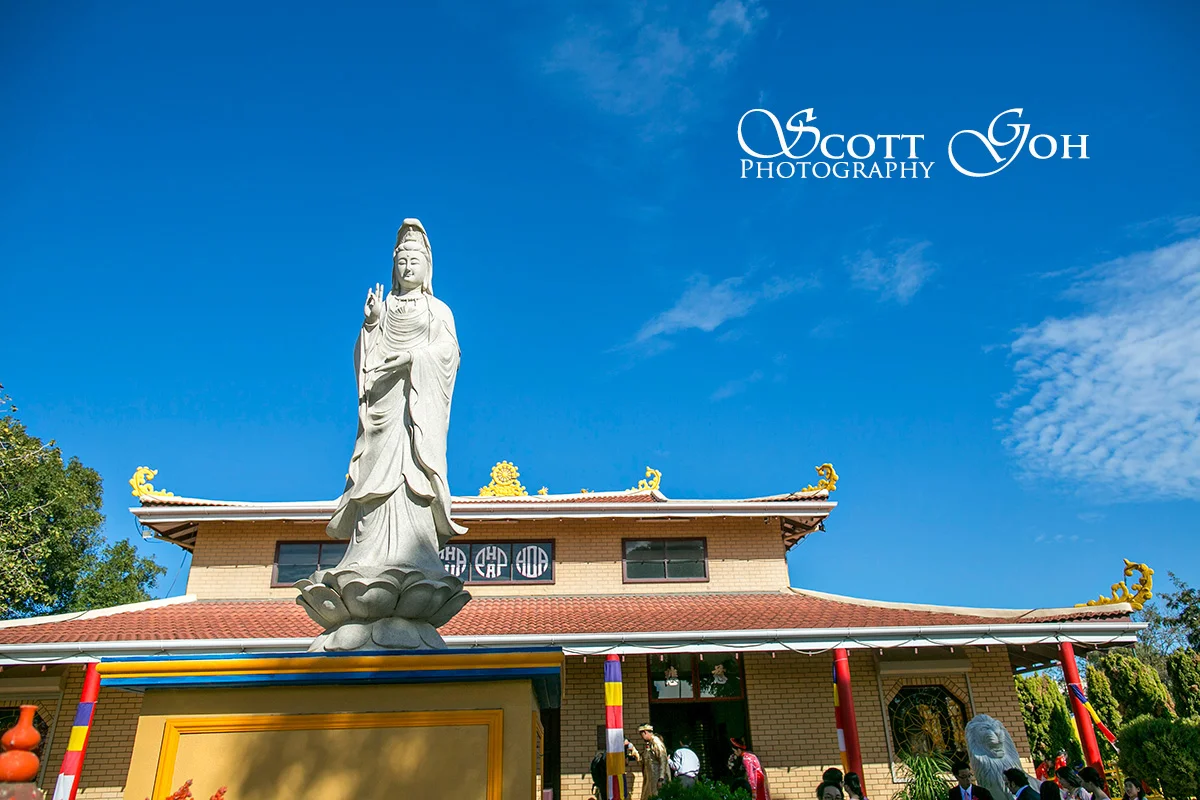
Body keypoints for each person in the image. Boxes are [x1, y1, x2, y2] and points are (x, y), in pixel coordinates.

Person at [634, 724, 671, 800]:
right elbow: (644, 761)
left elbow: (663, 761)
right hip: (650, 781)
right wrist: (635, 753)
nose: (641, 737)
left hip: (657, 780)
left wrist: (661, 778)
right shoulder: (648, 745)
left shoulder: (656, 743)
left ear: (645, 732)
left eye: (641, 734)